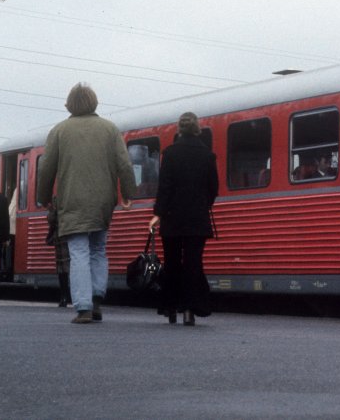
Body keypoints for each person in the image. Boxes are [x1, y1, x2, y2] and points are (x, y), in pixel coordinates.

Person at [36, 83, 136, 324]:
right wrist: (128, 194)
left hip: (72, 199)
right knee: (98, 250)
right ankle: (97, 298)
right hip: (103, 200)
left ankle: (83, 307)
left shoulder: (59, 131)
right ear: (94, 102)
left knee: (78, 252)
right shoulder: (110, 129)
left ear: (69, 104)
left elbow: (46, 168)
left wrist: (43, 197)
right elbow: (124, 164)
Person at [148, 112, 218, 327]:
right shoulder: (207, 155)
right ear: (198, 129)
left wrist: (158, 213)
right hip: (197, 218)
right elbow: (213, 188)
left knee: (172, 263)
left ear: (179, 129)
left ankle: (170, 307)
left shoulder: (170, 154)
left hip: (172, 218)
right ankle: (190, 310)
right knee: (193, 263)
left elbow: (165, 188)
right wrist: (202, 205)